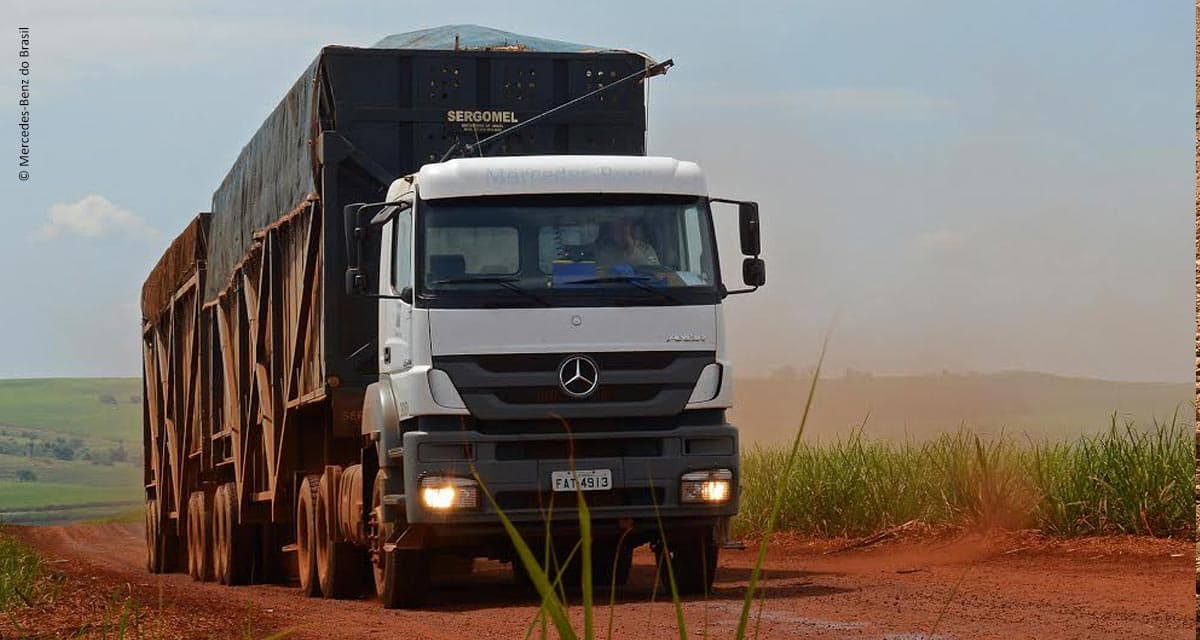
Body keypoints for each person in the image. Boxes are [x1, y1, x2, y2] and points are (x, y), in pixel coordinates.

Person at [594, 217, 659, 268]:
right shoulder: (599, 251)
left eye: (626, 226)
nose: (624, 231)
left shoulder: (646, 249)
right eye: (619, 226)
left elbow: (656, 276)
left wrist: (632, 250)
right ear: (610, 229)